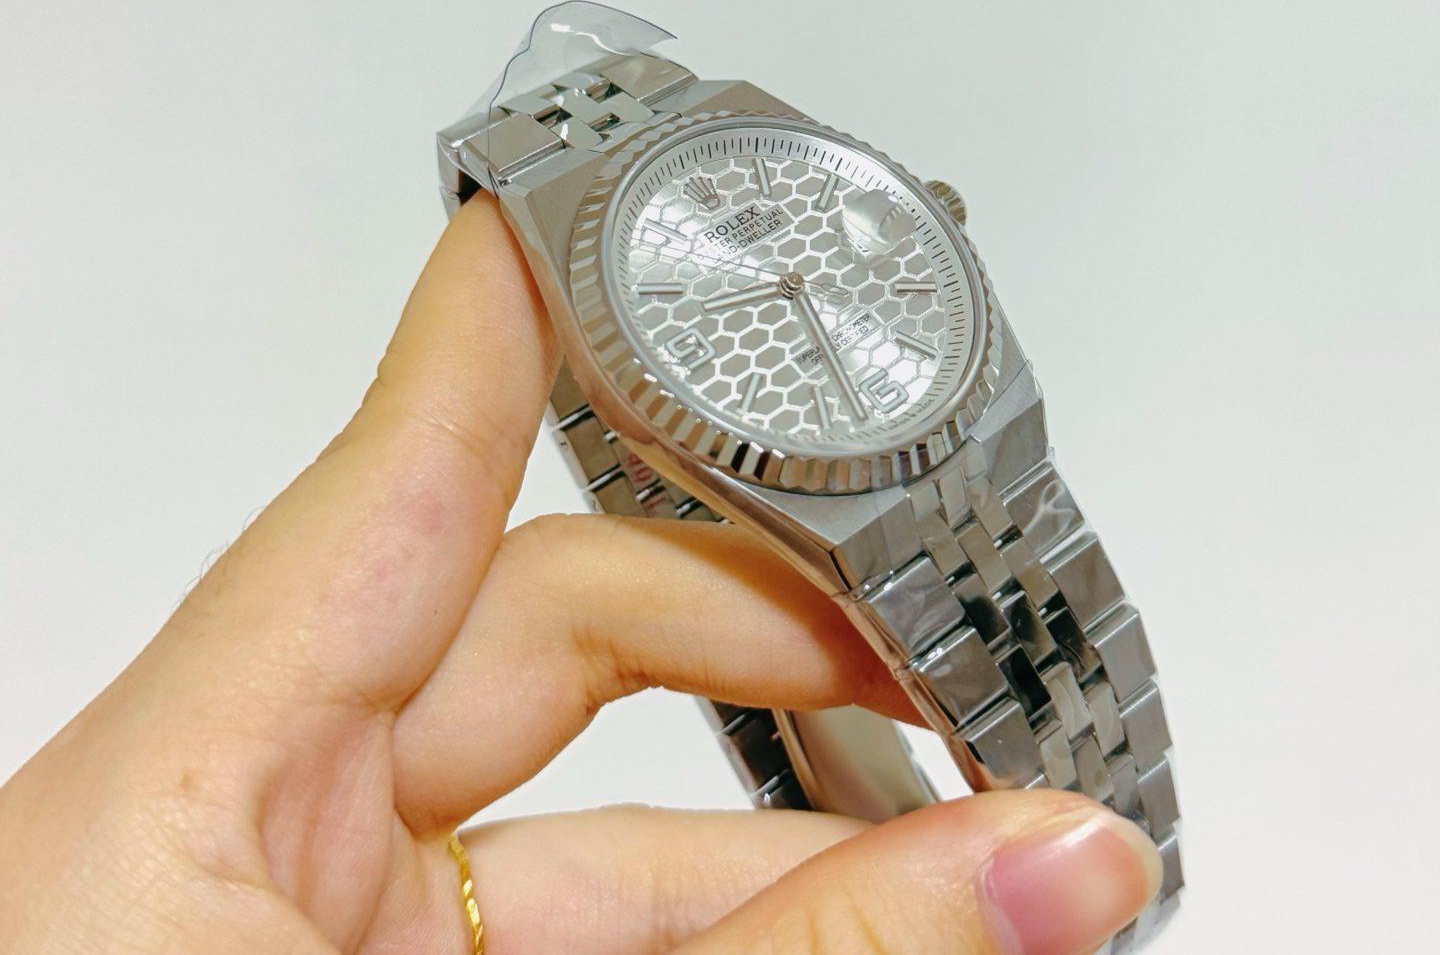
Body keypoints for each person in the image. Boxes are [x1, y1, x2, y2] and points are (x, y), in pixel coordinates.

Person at [0, 196, 1161, 954]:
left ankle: (1101, 831)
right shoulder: (673, 439)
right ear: (644, 441)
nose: (793, 283)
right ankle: (1099, 851)